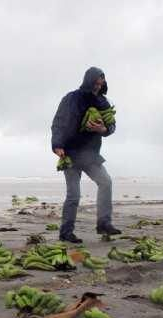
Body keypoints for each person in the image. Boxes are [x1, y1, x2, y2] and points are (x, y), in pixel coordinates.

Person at [50, 66, 122, 243]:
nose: (99, 85)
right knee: (74, 194)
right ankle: (66, 232)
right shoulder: (71, 98)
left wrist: (103, 129)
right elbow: (58, 122)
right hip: (70, 152)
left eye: (101, 82)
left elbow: (111, 127)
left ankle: (104, 224)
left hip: (90, 155)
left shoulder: (103, 103)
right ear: (89, 80)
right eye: (96, 81)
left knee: (105, 182)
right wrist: (57, 145)